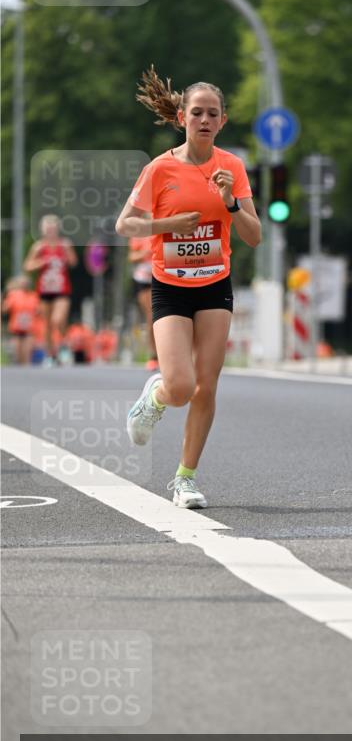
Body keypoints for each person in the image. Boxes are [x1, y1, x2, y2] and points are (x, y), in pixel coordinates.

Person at [115, 66, 261, 508]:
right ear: (182, 117)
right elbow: (125, 225)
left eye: (213, 114)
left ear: (223, 121)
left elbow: (254, 236)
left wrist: (230, 203)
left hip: (215, 284)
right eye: (197, 112)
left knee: (206, 386)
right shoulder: (160, 169)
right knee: (180, 386)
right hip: (170, 286)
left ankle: (185, 479)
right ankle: (155, 398)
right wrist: (167, 224)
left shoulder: (232, 167)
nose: (204, 120)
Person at [23, 214, 77, 365]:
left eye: (53, 229)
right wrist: (40, 262)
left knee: (57, 319)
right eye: (48, 229)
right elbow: (27, 266)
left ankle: (64, 345)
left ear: (57, 229)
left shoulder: (64, 244)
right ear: (43, 230)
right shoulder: (39, 247)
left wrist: (66, 255)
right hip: (45, 289)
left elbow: (73, 262)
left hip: (62, 289)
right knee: (47, 324)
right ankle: (50, 354)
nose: (50, 232)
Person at [128, 235, 158, 370]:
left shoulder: (165, 227)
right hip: (144, 279)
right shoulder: (139, 233)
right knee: (152, 316)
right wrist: (144, 253)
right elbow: (131, 257)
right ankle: (153, 355)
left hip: (163, 276)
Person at [2, 275, 40, 365]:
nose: (24, 285)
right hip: (16, 328)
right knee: (17, 353)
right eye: (22, 283)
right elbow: (5, 310)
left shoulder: (34, 296)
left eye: (26, 283)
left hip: (30, 328)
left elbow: (39, 311)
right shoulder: (13, 295)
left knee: (27, 353)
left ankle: (26, 367)